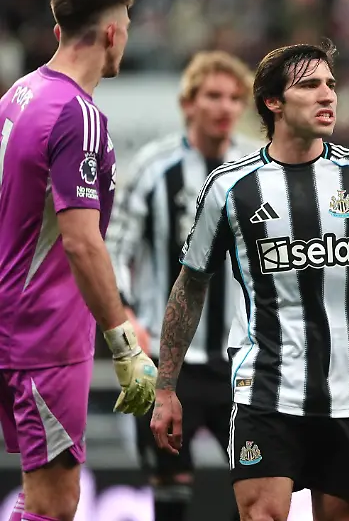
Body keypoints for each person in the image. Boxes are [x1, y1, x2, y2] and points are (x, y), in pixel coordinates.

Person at [149, 41, 349, 521]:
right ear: (273, 102)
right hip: (265, 390)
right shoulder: (230, 187)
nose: (327, 95)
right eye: (309, 85)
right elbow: (191, 283)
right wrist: (165, 387)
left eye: (330, 84)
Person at [0, 0, 157, 521]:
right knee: (56, 502)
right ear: (112, 34)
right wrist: (123, 344)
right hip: (44, 333)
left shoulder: (18, 94)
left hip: (13, 320)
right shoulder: (79, 115)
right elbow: (82, 243)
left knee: (38, 493)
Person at [106, 50, 254, 521]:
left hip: (241, 360)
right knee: (170, 499)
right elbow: (114, 249)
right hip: (169, 361)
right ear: (188, 102)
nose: (224, 107)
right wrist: (127, 318)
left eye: (234, 98)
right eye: (212, 95)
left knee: (256, 496)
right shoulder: (154, 168)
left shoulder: (256, 168)